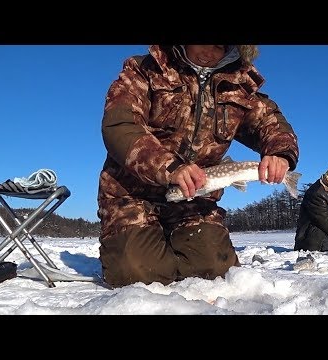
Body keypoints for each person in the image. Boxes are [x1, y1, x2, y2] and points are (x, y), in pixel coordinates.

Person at [97, 45, 299, 288]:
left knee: (215, 272)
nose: (209, 51)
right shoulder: (144, 70)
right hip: (132, 195)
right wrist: (170, 167)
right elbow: (121, 125)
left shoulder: (239, 85)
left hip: (195, 202)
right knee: (140, 275)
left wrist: (280, 154)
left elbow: (271, 122)